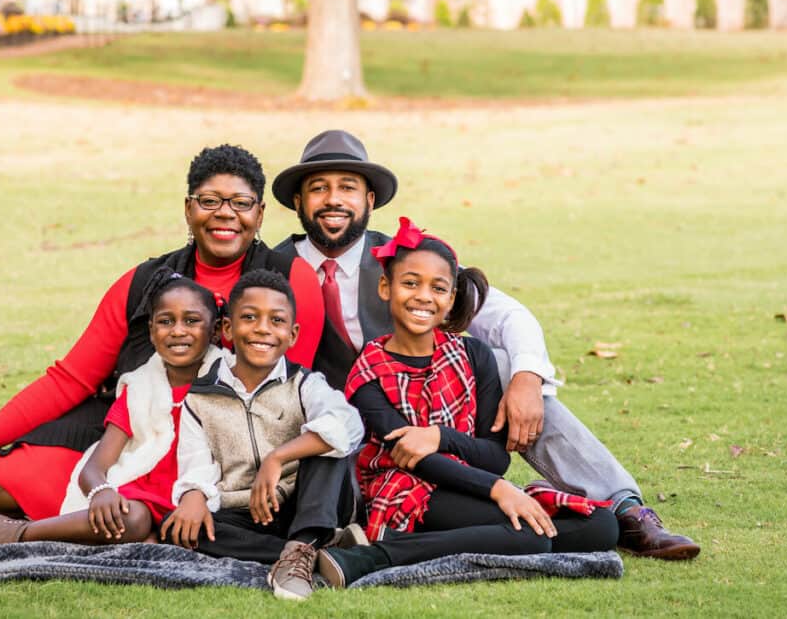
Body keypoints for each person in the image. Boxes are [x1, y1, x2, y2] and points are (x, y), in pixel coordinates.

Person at [0, 145, 324, 532]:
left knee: (133, 511)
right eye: (209, 201)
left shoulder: (287, 281)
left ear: (259, 214)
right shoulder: (142, 282)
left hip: (221, 438)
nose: (224, 214)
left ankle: (21, 535)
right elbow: (71, 379)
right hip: (131, 418)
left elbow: (283, 393)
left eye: (240, 203)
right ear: (188, 208)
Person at [271, 130, 699, 560]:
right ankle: (375, 533)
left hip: (425, 412)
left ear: (369, 201)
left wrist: (528, 378)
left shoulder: (407, 259)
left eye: (347, 187)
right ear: (298, 202)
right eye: (318, 188)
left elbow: (508, 316)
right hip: (342, 425)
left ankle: (623, 508)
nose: (333, 200)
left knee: (506, 365)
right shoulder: (275, 266)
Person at [314, 218, 618, 587]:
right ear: (385, 287)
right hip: (406, 488)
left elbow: (495, 457)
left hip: (470, 482)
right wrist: (500, 490)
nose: (424, 296)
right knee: (528, 535)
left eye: (438, 288)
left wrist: (441, 437)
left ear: (452, 297)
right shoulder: (367, 375)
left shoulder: (474, 355)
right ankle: (371, 555)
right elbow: (414, 458)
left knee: (601, 526)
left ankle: (408, 544)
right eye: (410, 283)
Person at [0, 269, 225, 570]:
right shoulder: (139, 389)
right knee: (134, 521)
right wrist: (101, 491)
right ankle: (12, 534)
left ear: (215, 331)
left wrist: (196, 493)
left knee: (156, 542)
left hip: (193, 496)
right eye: (166, 321)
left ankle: (20, 532)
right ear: (151, 331)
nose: (177, 331)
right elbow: (95, 467)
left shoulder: (226, 385)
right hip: (135, 498)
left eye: (191, 321)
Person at [162, 269, 365, 601]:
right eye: (249, 317)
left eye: (276, 321)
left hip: (311, 503)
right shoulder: (200, 399)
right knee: (180, 527)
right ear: (227, 328)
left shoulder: (304, 384)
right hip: (249, 514)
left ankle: (304, 544)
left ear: (292, 334)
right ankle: (311, 553)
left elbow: (349, 424)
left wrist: (278, 456)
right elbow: (196, 465)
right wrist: (193, 496)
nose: (262, 329)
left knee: (327, 441)